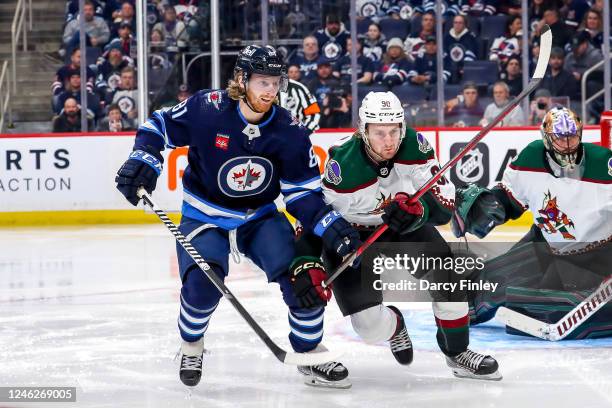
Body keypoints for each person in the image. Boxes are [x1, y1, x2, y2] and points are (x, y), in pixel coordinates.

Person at [114, 45, 360, 388]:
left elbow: (302, 194)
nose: (271, 90)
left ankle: (308, 353)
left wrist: (333, 227)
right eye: (262, 82)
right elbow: (158, 125)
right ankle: (192, 343)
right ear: (242, 80)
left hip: (259, 218)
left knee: (305, 280)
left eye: (276, 82)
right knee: (203, 285)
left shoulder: (289, 130)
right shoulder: (207, 108)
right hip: (204, 215)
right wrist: (144, 159)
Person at [318, 91, 501, 379]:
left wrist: (419, 212)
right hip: (353, 236)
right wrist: (307, 260)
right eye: (380, 133)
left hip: (401, 228)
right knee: (369, 329)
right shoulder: (343, 166)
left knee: (447, 276)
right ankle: (394, 325)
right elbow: (318, 217)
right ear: (363, 131)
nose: (389, 141)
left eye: (394, 131)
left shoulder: (415, 146)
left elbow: (444, 206)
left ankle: (457, 352)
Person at [452, 107, 612, 339]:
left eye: (573, 136)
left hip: (594, 258)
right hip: (544, 246)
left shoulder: (603, 164)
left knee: (541, 310)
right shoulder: (530, 158)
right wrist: (488, 206)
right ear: (546, 138)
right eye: (560, 138)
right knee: (485, 287)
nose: (568, 144)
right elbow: (509, 200)